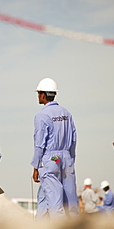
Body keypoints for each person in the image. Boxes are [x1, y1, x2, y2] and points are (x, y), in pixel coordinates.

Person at [31, 78, 79, 220]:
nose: (38, 96)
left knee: (54, 202)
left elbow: (39, 144)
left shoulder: (42, 115)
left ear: (43, 95)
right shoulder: (66, 113)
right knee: (69, 200)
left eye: (39, 93)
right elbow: (74, 138)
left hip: (52, 158)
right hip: (66, 157)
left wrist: (36, 166)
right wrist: (70, 159)